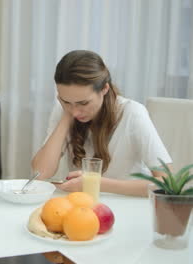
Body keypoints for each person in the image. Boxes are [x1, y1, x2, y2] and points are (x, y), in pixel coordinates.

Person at [31, 50, 172, 197]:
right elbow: (40, 173)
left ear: (104, 89)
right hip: (82, 204)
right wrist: (66, 117)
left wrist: (97, 183)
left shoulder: (132, 113)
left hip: (127, 204)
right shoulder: (65, 111)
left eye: (83, 103)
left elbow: (166, 184)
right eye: (66, 101)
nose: (75, 111)